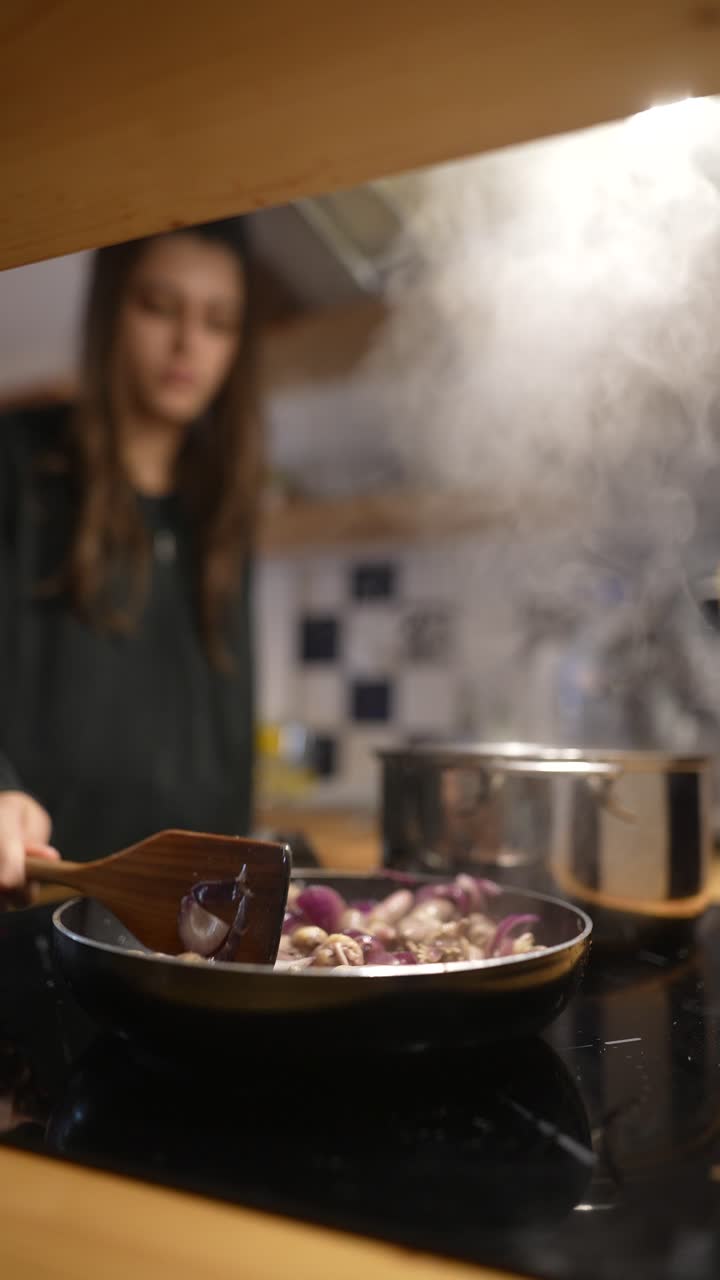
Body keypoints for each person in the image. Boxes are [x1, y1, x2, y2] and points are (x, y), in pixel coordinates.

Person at [0, 218, 260, 888]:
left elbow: (229, 737)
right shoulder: (19, 465)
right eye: (159, 307)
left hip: (191, 923)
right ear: (111, 308)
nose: (187, 344)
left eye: (219, 321)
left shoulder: (220, 505)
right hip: (40, 905)